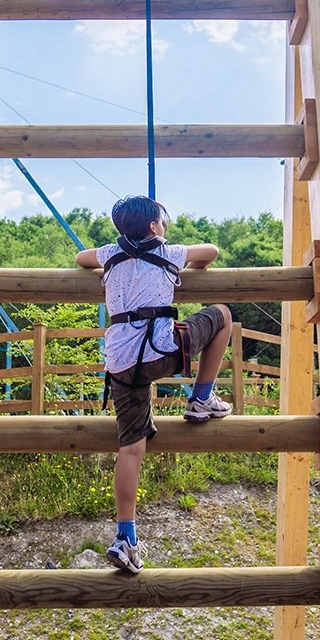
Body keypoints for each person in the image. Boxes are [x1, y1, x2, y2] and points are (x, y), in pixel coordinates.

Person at [75, 195, 233, 574]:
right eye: (162, 221)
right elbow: (210, 251)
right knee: (222, 315)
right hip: (161, 352)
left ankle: (125, 537)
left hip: (121, 363)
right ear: (152, 227)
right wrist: (172, 253)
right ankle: (201, 397)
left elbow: (82, 258)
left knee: (130, 451)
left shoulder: (111, 252)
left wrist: (115, 253)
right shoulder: (170, 250)